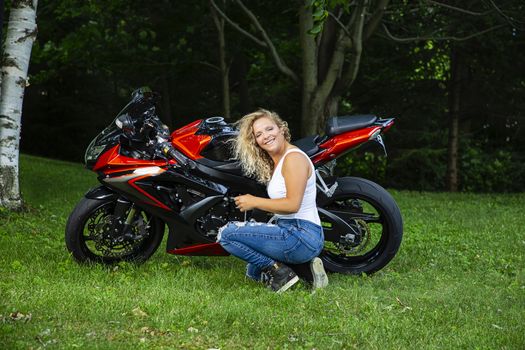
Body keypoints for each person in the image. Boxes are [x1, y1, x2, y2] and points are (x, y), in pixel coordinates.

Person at [217, 109, 328, 293]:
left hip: (300, 235)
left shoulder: (293, 159)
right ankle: (308, 272)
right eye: (259, 134)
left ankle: (281, 273)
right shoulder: (279, 161)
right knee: (253, 273)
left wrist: (254, 201)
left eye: (269, 129)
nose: (265, 136)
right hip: (296, 232)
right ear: (256, 142)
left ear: (282, 128)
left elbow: (293, 204)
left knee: (226, 234)